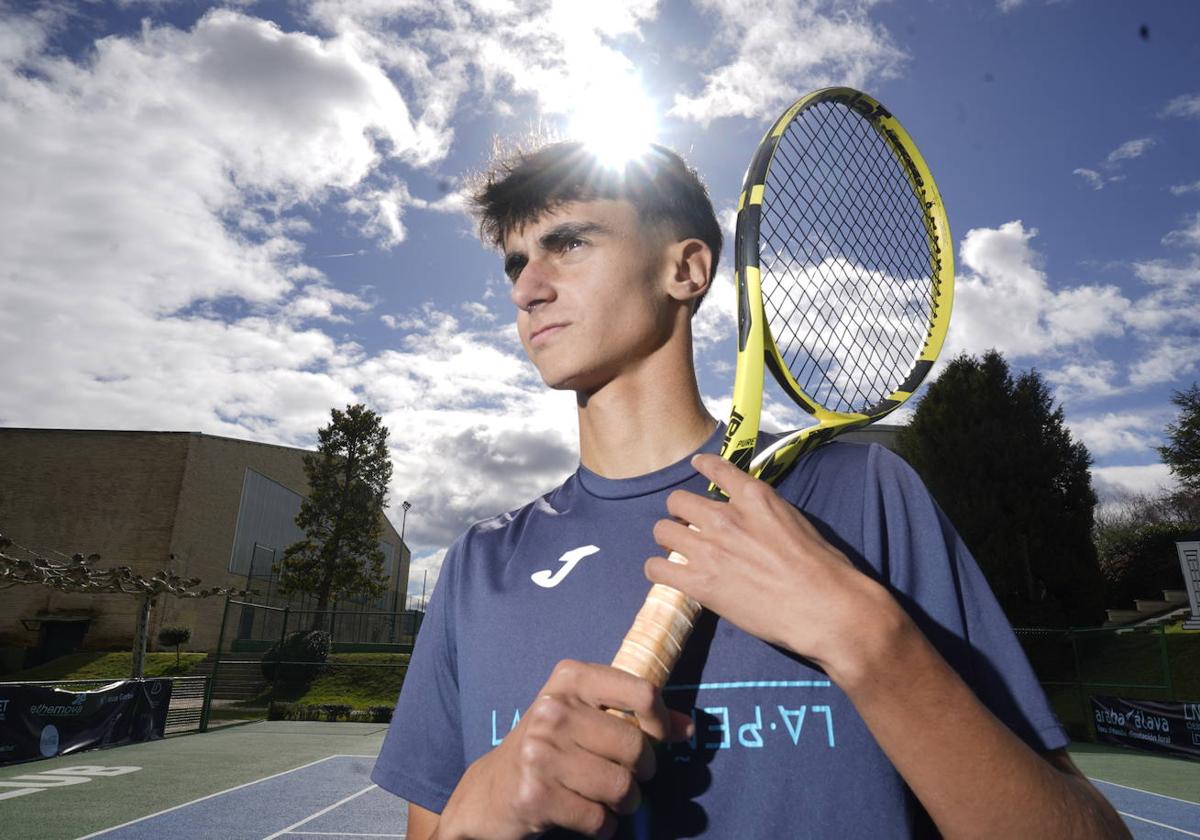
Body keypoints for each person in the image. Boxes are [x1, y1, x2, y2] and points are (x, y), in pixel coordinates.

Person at [372, 141, 1129, 839]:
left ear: (687, 270)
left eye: (568, 243)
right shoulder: (479, 565)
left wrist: (869, 641)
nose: (528, 289)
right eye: (514, 264)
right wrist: (478, 807)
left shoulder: (864, 495)